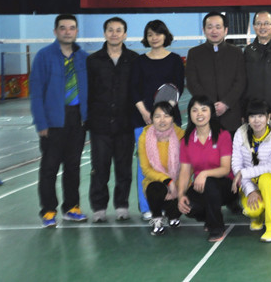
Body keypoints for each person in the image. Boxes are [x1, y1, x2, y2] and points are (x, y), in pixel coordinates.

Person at [30, 14, 88, 227]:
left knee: (73, 167)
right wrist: (41, 123)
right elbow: (36, 92)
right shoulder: (44, 56)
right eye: (63, 28)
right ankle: (48, 210)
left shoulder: (83, 57)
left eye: (71, 28)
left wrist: (87, 118)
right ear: (55, 31)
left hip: (77, 119)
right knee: (49, 168)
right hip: (53, 120)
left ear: (77, 31)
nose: (67, 31)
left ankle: (71, 207)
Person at [131, 19, 185, 220]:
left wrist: (164, 116)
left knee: (171, 163)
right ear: (146, 38)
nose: (154, 38)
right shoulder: (139, 61)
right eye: (150, 34)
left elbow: (178, 87)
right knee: (145, 165)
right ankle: (147, 206)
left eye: (158, 34)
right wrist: (145, 113)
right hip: (144, 120)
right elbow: (134, 89)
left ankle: (169, 204)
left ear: (165, 36)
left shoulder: (175, 60)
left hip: (170, 121)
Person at [87, 16, 139, 223]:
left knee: (123, 168)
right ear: (105, 33)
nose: (114, 33)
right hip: (100, 125)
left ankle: (122, 205)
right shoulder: (93, 61)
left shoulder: (134, 60)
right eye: (110, 30)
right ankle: (99, 207)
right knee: (99, 168)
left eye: (119, 30)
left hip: (125, 124)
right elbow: (88, 92)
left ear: (125, 34)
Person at [177, 95, 237, 242]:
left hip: (226, 186)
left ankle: (217, 228)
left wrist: (204, 174)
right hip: (202, 186)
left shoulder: (223, 135)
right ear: (190, 114)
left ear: (211, 112)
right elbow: (185, 172)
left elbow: (225, 169)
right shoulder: (186, 141)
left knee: (209, 182)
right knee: (189, 206)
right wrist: (181, 195)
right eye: (195, 110)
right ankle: (209, 217)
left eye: (204, 109)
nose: (199, 114)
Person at [231, 99, 271, 242]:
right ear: (247, 119)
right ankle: (259, 216)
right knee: (252, 210)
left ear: (268, 117)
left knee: (267, 179)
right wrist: (250, 190)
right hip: (249, 183)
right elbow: (236, 164)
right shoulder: (240, 134)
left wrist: (244, 173)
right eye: (252, 116)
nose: (256, 120)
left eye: (261, 116)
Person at [186, 12, 246, 133]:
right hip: (204, 115)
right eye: (210, 27)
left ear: (225, 30)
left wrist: (226, 103)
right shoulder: (194, 53)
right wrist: (209, 104)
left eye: (218, 27)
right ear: (204, 30)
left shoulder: (236, 52)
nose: (214, 31)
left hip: (231, 114)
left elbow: (241, 81)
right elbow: (192, 82)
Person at [138, 101, 185, 236]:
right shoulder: (144, 137)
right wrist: (168, 181)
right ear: (152, 119)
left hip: (178, 184)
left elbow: (187, 167)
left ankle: (173, 215)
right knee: (154, 188)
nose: (162, 120)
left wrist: (178, 188)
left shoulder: (181, 135)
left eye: (166, 116)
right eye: (157, 116)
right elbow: (146, 169)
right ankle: (157, 218)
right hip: (158, 183)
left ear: (173, 118)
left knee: (189, 205)